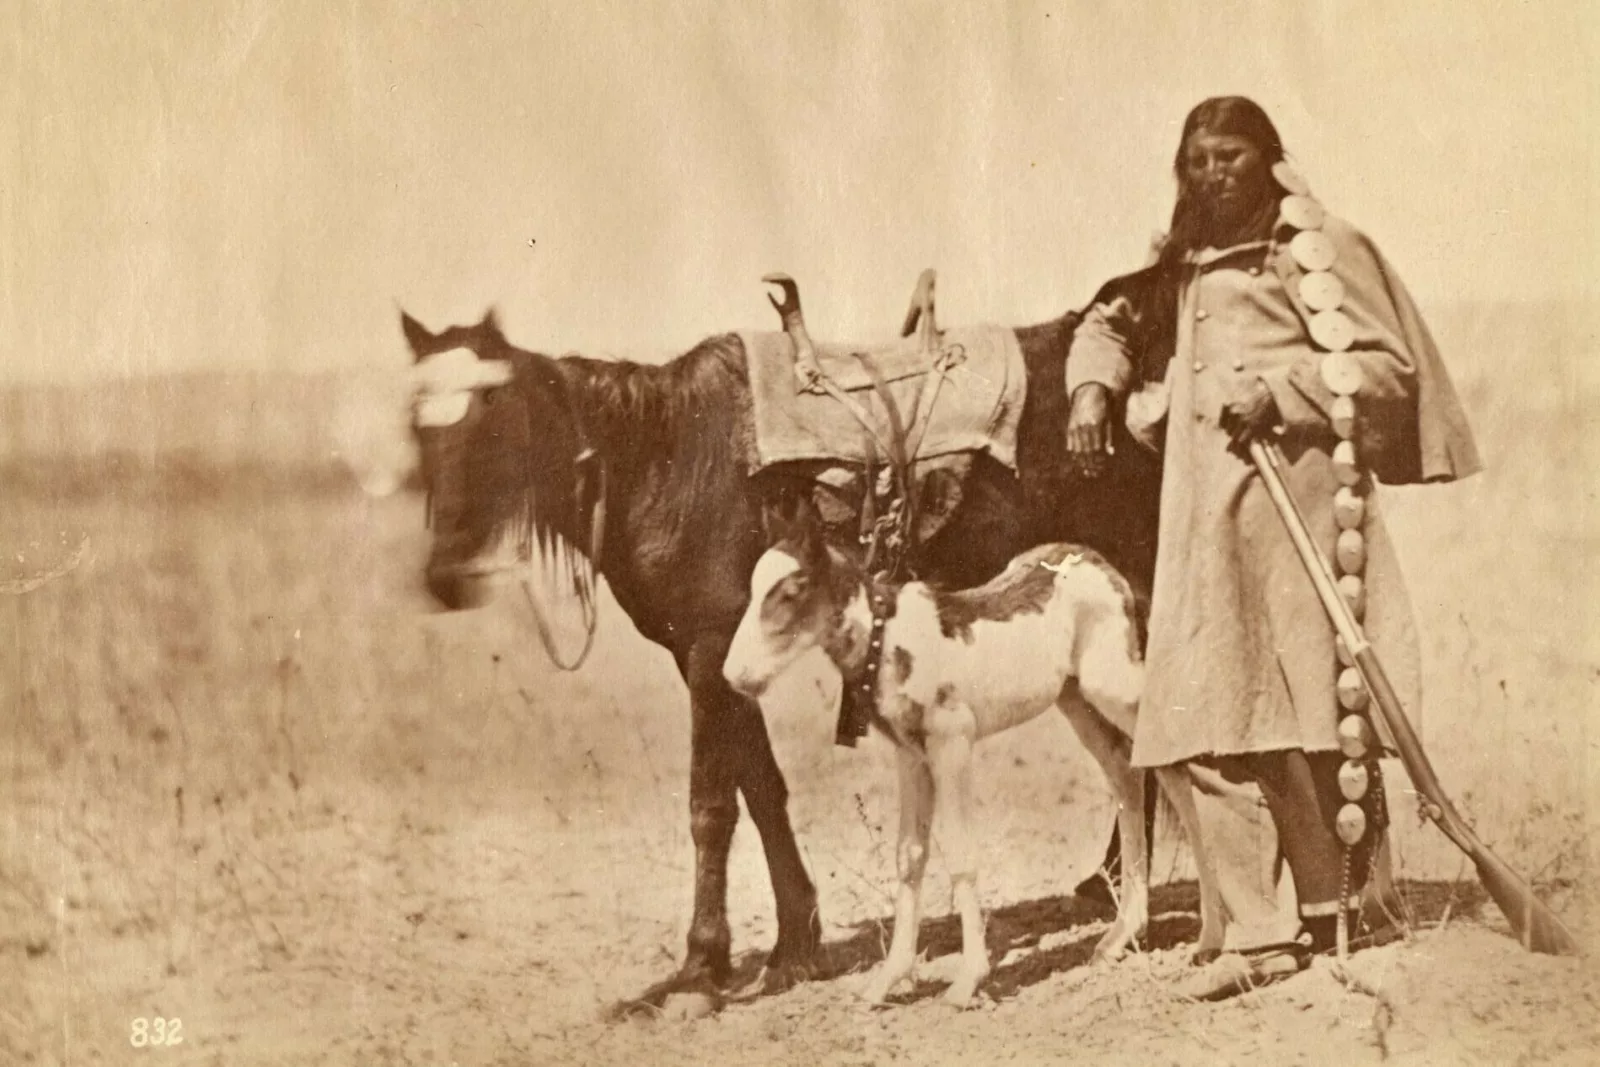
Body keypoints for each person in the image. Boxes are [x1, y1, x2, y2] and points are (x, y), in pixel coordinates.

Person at [1064, 96, 1481, 998]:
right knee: (1200, 709)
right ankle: (1254, 930)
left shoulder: (1315, 250)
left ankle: (1345, 905)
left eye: (1233, 157)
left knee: (1311, 709)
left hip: (1297, 517)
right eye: (1199, 159)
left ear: (1268, 160)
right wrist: (1093, 388)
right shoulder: (1184, 262)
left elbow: (1387, 368)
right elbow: (1107, 319)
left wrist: (1283, 391)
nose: (1214, 175)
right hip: (1202, 528)